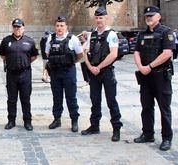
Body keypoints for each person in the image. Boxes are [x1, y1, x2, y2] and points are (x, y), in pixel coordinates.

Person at [133, 6, 175, 151]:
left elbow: (167, 53)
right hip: (145, 76)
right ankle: (148, 133)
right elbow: (136, 52)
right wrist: (141, 67)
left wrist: (149, 66)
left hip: (160, 76)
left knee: (164, 108)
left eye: (151, 15)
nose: (148, 18)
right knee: (146, 107)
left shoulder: (166, 32)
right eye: (146, 16)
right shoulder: (141, 34)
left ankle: (167, 138)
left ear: (159, 16)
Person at [81, 7, 123, 142]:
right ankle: (94, 126)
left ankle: (116, 129)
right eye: (97, 18)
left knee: (111, 101)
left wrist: (98, 67)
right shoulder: (92, 34)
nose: (99, 20)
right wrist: (89, 67)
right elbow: (85, 53)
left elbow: (113, 54)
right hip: (94, 73)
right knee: (95, 100)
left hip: (106, 72)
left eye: (101, 18)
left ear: (106, 18)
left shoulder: (111, 34)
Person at [45, 16, 83, 132]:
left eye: (62, 26)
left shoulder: (73, 39)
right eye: (57, 26)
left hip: (68, 72)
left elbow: (80, 55)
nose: (59, 28)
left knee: (71, 97)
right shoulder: (50, 38)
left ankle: (74, 120)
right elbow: (47, 54)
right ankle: (57, 119)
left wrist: (70, 62)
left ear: (66, 27)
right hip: (55, 72)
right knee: (57, 97)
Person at [0, 18, 39, 131]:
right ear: (13, 28)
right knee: (11, 99)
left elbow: (34, 56)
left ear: (23, 28)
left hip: (25, 74)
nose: (17, 29)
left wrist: (25, 63)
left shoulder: (29, 41)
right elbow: (2, 55)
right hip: (11, 74)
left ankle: (27, 121)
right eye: (15, 27)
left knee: (25, 99)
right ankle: (11, 121)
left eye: (19, 27)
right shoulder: (6, 41)